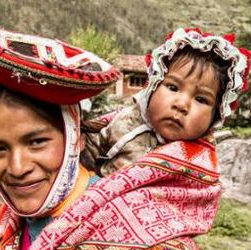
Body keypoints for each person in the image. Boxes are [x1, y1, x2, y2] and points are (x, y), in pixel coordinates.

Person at [0, 28, 251, 250]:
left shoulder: (149, 239)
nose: (17, 168)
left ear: (75, 137)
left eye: (37, 142)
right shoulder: (5, 225)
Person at [84, 28, 251, 176]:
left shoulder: (200, 168)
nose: (181, 104)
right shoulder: (124, 122)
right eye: (172, 87)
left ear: (216, 115)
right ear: (152, 87)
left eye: (201, 99)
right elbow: (85, 155)